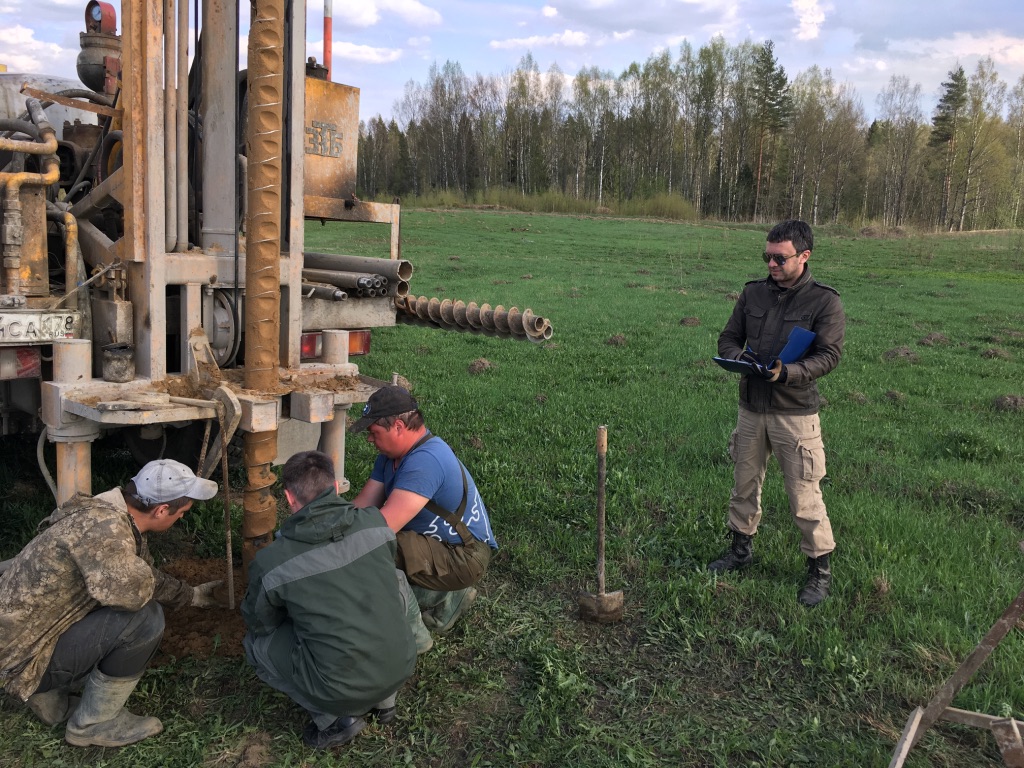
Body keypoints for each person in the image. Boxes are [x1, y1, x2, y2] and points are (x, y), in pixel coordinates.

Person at [0, 459, 223, 747]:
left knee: (105, 598)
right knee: (144, 618)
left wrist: (190, 594)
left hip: (15, 637)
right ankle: (94, 724)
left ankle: (48, 695)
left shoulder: (101, 510)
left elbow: (138, 570)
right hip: (18, 661)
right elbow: (138, 587)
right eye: (181, 512)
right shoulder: (108, 539)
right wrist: (189, 597)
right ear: (161, 510)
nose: (181, 518)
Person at [710, 219, 845, 607]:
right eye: (767, 256)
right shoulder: (753, 293)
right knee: (744, 483)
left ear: (804, 256)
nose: (771, 264)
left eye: (779, 258)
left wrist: (788, 373)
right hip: (751, 406)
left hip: (795, 413)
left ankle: (819, 570)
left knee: (804, 493)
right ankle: (740, 549)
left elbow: (829, 356)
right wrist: (739, 359)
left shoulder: (824, 301)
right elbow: (729, 337)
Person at [241, 450, 416, 750]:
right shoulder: (376, 524)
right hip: (401, 665)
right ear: (336, 488)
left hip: (339, 689)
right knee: (395, 583)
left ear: (289, 498)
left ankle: (333, 719)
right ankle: (385, 700)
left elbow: (259, 622)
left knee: (256, 646)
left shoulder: (272, 562)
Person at [349, 386, 497, 648]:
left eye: (373, 433)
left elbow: (379, 532)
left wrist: (333, 547)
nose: (370, 440)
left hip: (466, 554)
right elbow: (362, 506)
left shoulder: (425, 461)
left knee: (373, 551)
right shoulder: (390, 456)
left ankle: (413, 637)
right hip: (440, 544)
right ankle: (448, 598)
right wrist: (330, 526)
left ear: (397, 426)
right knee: (361, 544)